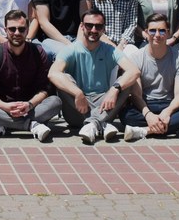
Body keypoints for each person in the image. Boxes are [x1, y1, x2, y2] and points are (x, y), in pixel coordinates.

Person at [48, 8, 141, 145]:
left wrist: (114, 89)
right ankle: (101, 123)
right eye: (89, 25)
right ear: (81, 26)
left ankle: (93, 124)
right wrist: (78, 93)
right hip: (77, 108)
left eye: (98, 26)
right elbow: (53, 73)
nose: (93, 29)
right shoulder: (71, 49)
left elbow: (134, 71)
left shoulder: (110, 50)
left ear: (104, 29)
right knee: (64, 78)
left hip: (104, 104)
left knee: (126, 82)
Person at [0, 10, 62, 142]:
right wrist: (4, 106)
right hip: (2, 106)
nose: (17, 33)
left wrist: (30, 104)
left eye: (21, 29)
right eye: (12, 29)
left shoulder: (38, 52)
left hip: (31, 107)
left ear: (27, 30)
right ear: (5, 30)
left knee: (56, 102)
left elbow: (46, 88)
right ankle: (31, 125)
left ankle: (3, 124)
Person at [121, 14, 179, 141]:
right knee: (126, 115)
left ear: (168, 33)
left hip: (171, 105)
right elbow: (136, 95)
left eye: (162, 31)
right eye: (152, 30)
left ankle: (146, 130)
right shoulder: (136, 58)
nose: (157, 35)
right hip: (146, 104)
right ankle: (178, 126)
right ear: (146, 32)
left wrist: (167, 112)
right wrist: (149, 115)